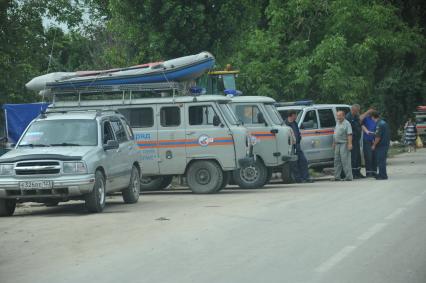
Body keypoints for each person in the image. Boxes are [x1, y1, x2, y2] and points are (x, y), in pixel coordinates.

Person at [345, 104, 373, 178]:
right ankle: (354, 173)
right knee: (354, 157)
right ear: (353, 110)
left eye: (358, 111)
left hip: (357, 139)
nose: (358, 112)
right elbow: (348, 131)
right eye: (357, 111)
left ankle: (358, 172)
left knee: (358, 157)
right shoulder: (348, 117)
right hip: (352, 140)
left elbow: (360, 121)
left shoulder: (356, 116)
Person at [285, 110, 312, 183]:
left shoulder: (294, 123)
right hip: (290, 147)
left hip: (297, 145)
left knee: (303, 161)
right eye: (295, 115)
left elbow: (297, 132)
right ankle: (298, 179)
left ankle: (306, 177)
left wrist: (299, 137)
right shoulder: (285, 124)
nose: (296, 116)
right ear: (292, 115)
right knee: (294, 163)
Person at [333, 111, 353, 181]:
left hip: (344, 143)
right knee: (337, 160)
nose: (338, 117)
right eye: (337, 116)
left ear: (343, 116)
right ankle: (337, 176)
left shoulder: (347, 123)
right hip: (337, 143)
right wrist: (334, 143)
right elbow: (335, 133)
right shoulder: (337, 122)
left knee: (345, 160)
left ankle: (349, 177)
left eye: (339, 116)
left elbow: (349, 134)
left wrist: (350, 144)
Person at [371, 111, 390, 180]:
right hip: (385, 144)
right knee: (382, 160)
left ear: (373, 117)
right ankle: (382, 174)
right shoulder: (383, 122)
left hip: (381, 145)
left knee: (380, 160)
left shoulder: (379, 124)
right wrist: (373, 133)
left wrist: (374, 145)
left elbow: (378, 137)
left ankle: (383, 176)